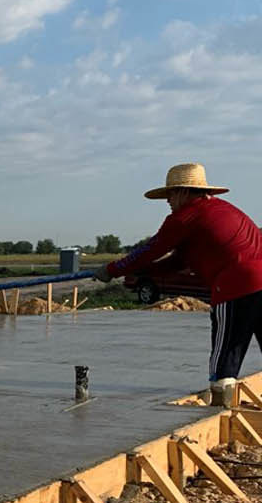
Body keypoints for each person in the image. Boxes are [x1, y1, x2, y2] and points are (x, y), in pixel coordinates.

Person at [99, 162, 262, 394]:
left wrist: (112, 269)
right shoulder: (223, 211)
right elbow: (178, 262)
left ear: (185, 192)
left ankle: (221, 402)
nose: (168, 200)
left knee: (225, 357)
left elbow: (150, 250)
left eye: (171, 193)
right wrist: (143, 271)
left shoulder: (184, 217)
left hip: (237, 285)